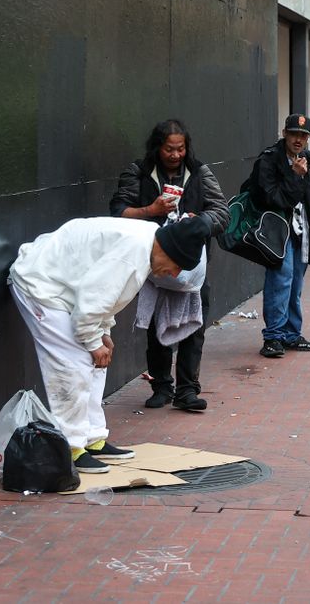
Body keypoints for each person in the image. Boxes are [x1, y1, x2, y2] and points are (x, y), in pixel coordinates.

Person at [9, 216, 209, 473]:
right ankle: (70, 447)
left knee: (97, 361)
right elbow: (93, 298)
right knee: (73, 363)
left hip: (64, 288)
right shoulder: (132, 253)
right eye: (177, 266)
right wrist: (93, 340)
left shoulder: (147, 244)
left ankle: (92, 439)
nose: (174, 274)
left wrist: (103, 333)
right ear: (169, 250)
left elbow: (104, 296)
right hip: (40, 284)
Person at [109, 119, 230, 411]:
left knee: (194, 326)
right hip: (153, 264)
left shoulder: (199, 172)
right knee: (156, 326)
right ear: (157, 147)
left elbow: (222, 212)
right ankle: (161, 386)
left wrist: (199, 222)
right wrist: (151, 210)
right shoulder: (138, 173)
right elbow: (118, 212)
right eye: (168, 149)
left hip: (191, 266)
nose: (175, 155)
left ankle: (187, 390)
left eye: (180, 149)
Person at [255, 113, 310, 358]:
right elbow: (272, 199)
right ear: (284, 133)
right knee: (279, 282)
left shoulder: (309, 160)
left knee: (295, 284)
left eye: (303, 136)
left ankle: (291, 334)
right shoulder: (269, 160)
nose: (298, 140)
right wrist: (294, 176)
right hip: (277, 232)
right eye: (294, 134)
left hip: (302, 231)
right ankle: (273, 337)